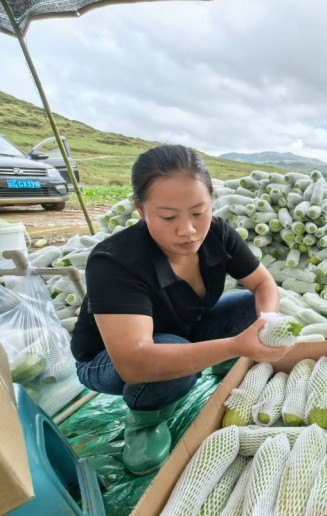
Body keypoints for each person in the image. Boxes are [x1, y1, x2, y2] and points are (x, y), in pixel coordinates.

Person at [70, 145, 291, 475]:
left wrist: (267, 322)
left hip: (183, 328)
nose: (187, 230)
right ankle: (144, 418)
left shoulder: (217, 233)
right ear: (141, 210)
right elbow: (134, 362)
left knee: (248, 306)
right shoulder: (115, 262)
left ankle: (212, 360)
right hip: (109, 360)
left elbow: (263, 285)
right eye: (169, 217)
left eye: (198, 212)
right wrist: (234, 346)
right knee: (176, 357)